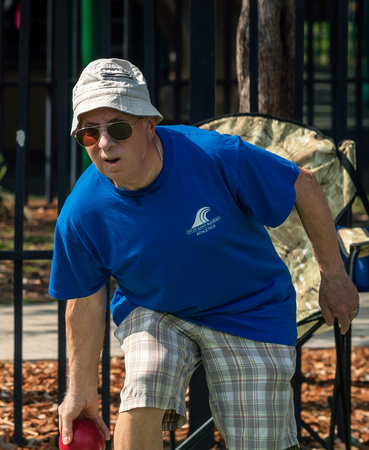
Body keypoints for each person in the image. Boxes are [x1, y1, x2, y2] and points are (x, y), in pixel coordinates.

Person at [49, 58, 359, 450]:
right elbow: (84, 296)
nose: (105, 144)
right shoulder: (81, 212)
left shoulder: (215, 154)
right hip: (156, 307)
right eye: (89, 135)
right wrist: (80, 389)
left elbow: (305, 186)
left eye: (119, 128)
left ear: (149, 124)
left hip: (250, 308)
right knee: (144, 383)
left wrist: (333, 275)